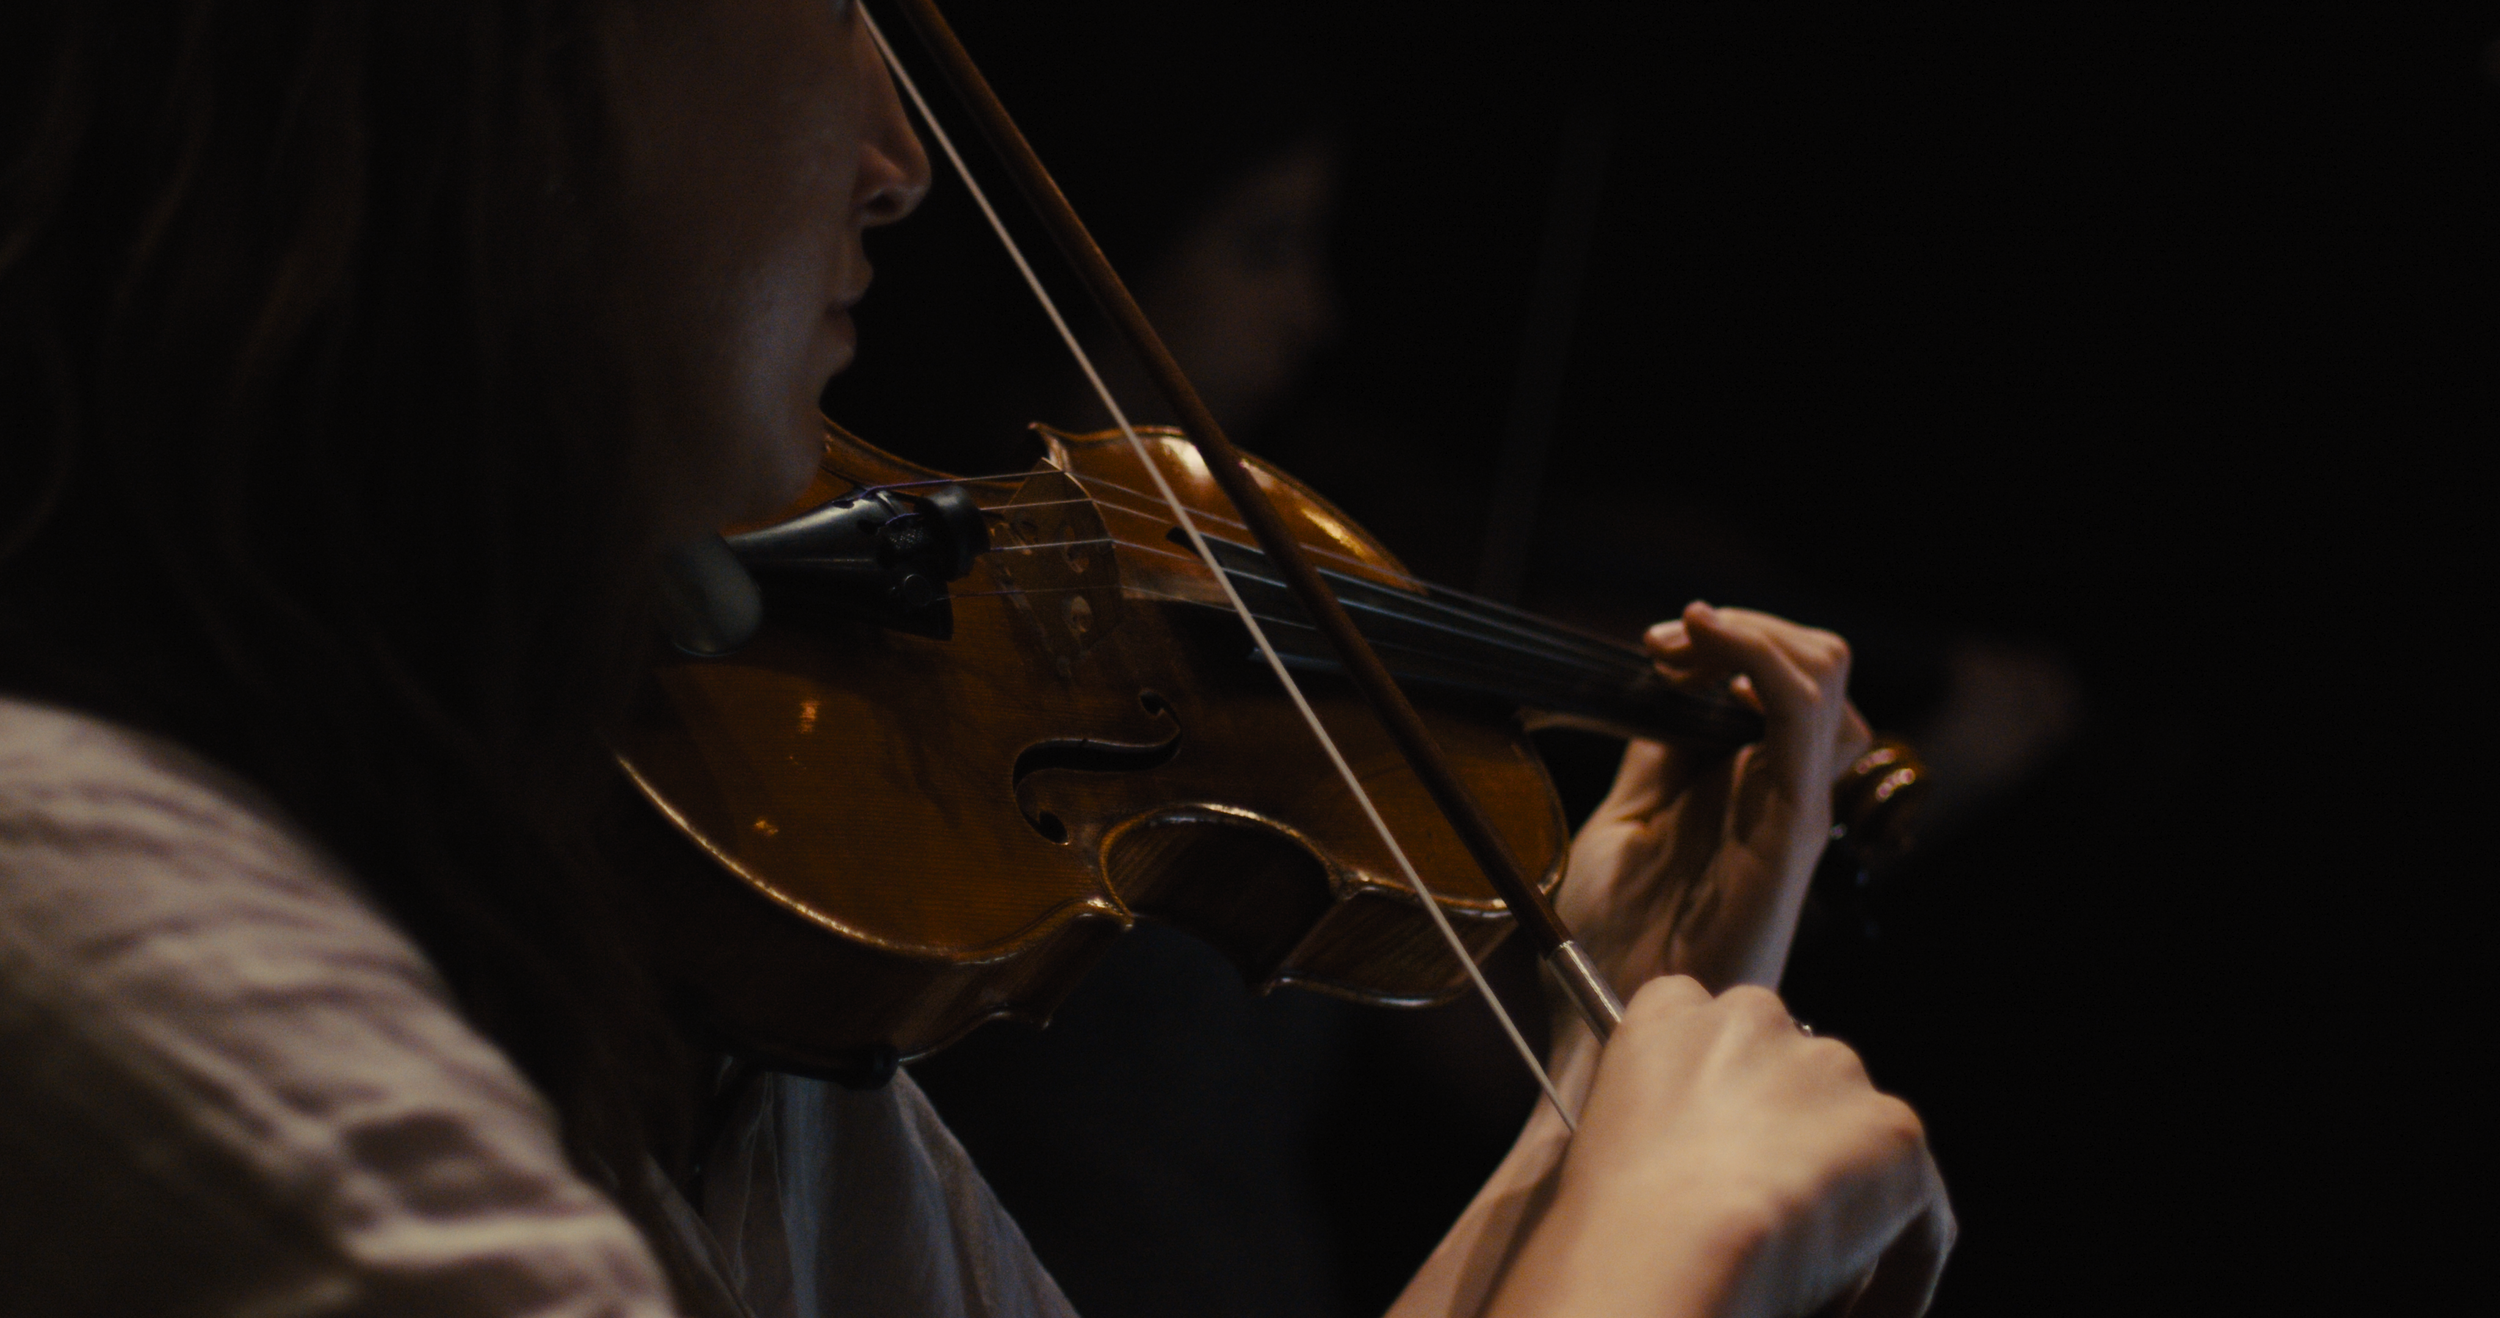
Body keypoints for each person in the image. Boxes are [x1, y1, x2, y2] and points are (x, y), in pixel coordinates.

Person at [0, 3, 1952, 1316]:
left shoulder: (691, 974)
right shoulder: (73, 907)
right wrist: (1634, 1254)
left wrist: (1599, 1108)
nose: (897, 149)